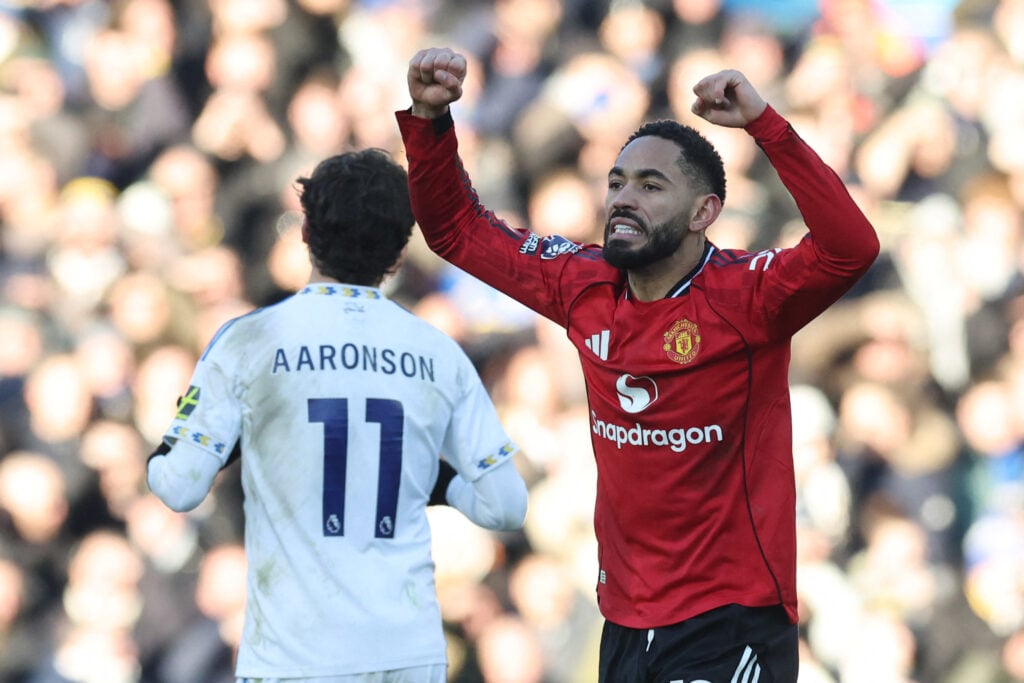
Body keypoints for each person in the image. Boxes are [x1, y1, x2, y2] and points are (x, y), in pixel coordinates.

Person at [396, 47, 880, 682]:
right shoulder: (581, 283)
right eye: (618, 182)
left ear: (704, 213)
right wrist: (430, 121)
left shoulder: (748, 299)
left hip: (730, 618)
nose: (624, 198)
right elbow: (454, 229)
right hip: (625, 618)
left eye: (651, 187)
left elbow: (852, 248)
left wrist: (768, 126)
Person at [146, 148, 529, 683]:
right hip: (406, 652)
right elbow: (506, 505)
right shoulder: (438, 352)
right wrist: (435, 481)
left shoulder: (247, 341)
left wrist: (178, 445)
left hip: (294, 653)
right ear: (398, 253)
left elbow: (178, 486)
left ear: (304, 233)